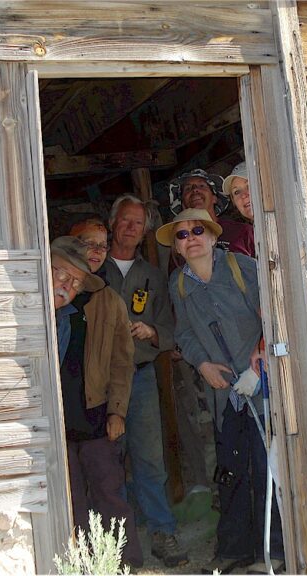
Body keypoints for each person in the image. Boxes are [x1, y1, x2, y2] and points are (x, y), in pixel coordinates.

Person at [156, 209, 285, 575]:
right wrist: (202, 365)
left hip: (262, 387)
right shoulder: (178, 285)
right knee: (230, 468)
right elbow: (183, 334)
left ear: (213, 237)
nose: (191, 238)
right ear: (177, 247)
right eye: (182, 235)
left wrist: (259, 357)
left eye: (198, 230)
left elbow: (274, 312)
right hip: (226, 394)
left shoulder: (242, 268)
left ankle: (272, 551)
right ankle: (232, 549)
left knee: (265, 467)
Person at [99, 196, 189, 568]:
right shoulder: (93, 268)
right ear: (112, 222)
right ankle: (117, 545)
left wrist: (152, 331)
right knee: (108, 463)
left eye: (138, 223)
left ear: (145, 230)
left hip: (141, 378)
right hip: (97, 384)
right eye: (125, 220)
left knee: (150, 459)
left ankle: (162, 532)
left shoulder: (153, 276)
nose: (131, 227)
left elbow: (170, 329)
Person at [50, 235, 143, 569]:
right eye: (62, 274)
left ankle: (125, 564)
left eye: (74, 281)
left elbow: (122, 361)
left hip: (94, 417)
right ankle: (83, 565)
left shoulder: (107, 303)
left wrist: (117, 411)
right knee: (71, 500)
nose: (67, 284)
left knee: (110, 494)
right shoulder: (36, 314)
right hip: (54, 425)